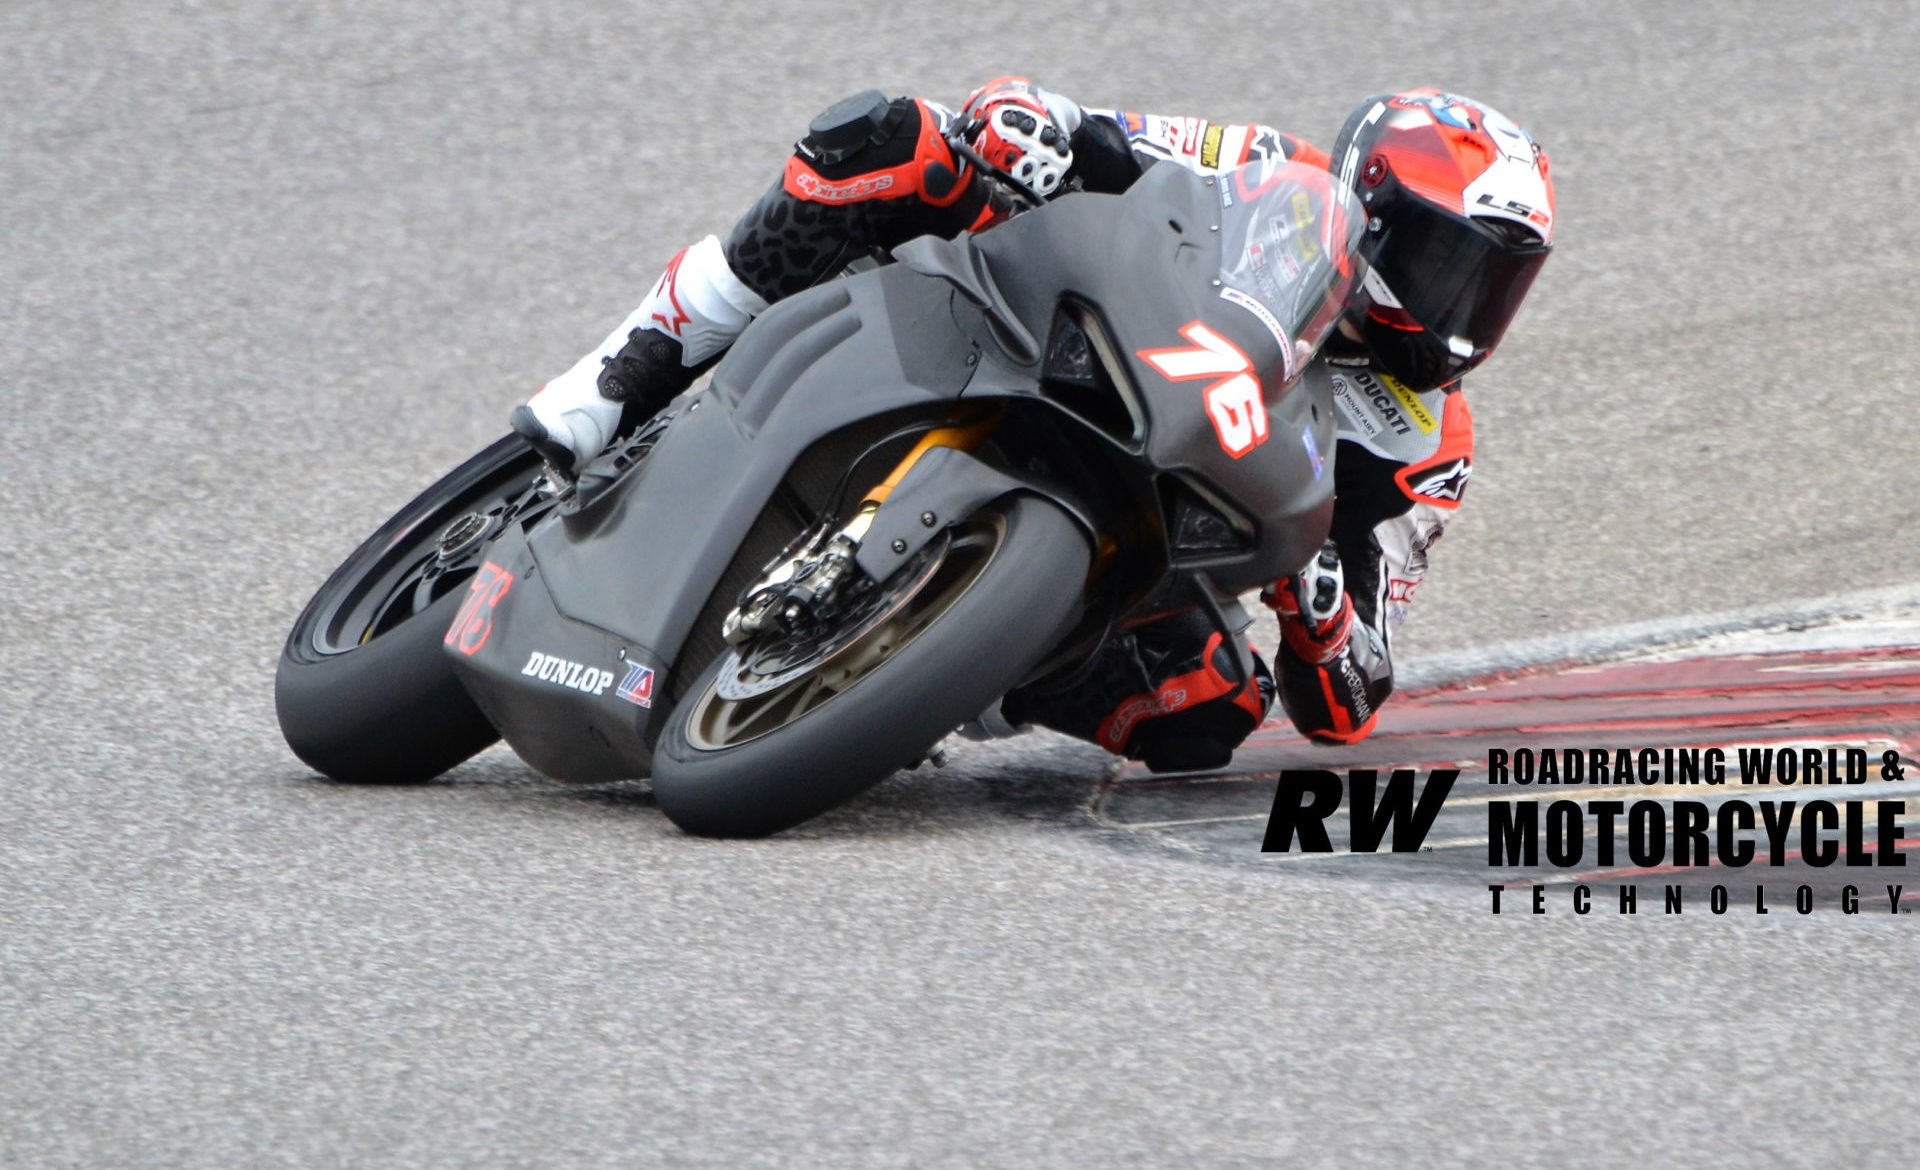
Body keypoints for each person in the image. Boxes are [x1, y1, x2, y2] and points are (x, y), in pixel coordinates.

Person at [511, 80, 1555, 769]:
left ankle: (931, 664)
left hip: (1160, 526)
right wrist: (1032, 128)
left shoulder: (1430, 444)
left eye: (1493, 286)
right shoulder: (1272, 171)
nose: (1460, 310)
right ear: (1369, 206)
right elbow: (1095, 131)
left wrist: (1323, 611)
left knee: (1206, 710)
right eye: (1445, 263)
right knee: (892, 145)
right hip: (1054, 330)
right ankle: (625, 371)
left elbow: (1352, 697)